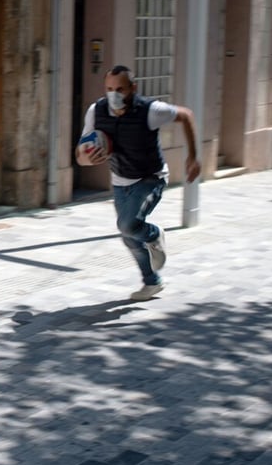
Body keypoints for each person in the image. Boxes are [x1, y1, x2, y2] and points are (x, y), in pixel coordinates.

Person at [75, 65, 201, 301]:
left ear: (133, 88)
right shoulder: (96, 111)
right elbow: (80, 153)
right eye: (109, 89)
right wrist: (86, 158)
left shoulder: (150, 110)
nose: (114, 94)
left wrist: (193, 156)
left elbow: (186, 115)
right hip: (120, 180)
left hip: (150, 177)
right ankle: (152, 283)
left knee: (129, 225)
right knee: (128, 235)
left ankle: (154, 234)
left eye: (120, 89)